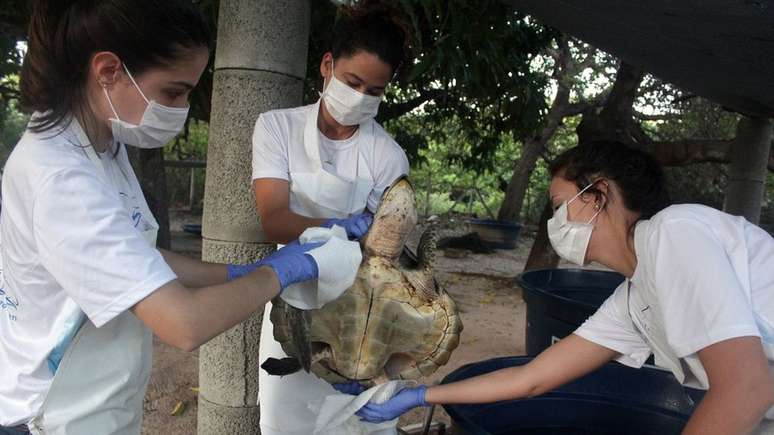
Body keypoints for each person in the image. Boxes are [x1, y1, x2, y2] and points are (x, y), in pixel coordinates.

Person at [0, 1, 336, 434]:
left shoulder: (102, 144)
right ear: (108, 71)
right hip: (50, 414)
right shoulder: (61, 178)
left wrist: (237, 273)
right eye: (174, 92)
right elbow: (184, 324)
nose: (182, 107)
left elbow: (139, 256)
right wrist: (278, 274)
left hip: (92, 401)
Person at [345, 141, 774, 435]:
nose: (554, 224)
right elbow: (531, 378)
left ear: (598, 193)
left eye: (558, 206)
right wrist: (421, 394)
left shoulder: (674, 231)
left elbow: (745, 387)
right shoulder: (635, 299)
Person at [250, 1, 412, 433]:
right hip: (292, 303)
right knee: (285, 421)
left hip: (361, 309)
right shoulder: (277, 128)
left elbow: (383, 256)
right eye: (352, 82)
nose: (360, 97)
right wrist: (337, 227)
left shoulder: (388, 156)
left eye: (374, 91)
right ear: (327, 65)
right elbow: (274, 219)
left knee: (363, 422)